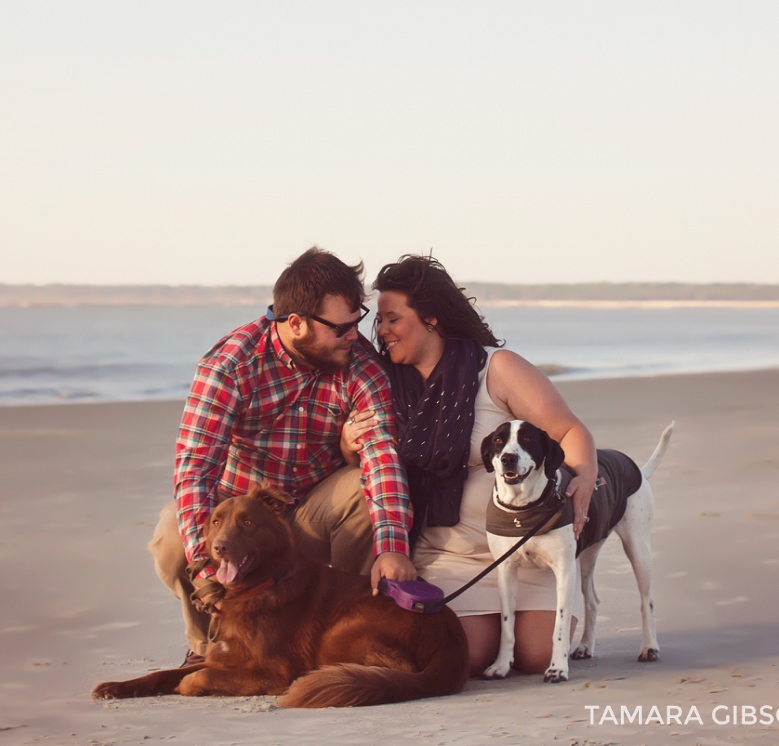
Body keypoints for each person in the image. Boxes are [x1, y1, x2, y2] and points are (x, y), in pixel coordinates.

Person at [149, 247, 416, 659]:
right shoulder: (230, 365)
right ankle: (211, 646)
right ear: (295, 323)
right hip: (243, 516)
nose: (356, 337)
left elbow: (382, 457)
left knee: (365, 492)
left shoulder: (359, 363)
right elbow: (196, 471)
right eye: (340, 328)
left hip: (315, 511)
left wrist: (393, 545)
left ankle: (342, 634)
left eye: (356, 322)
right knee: (171, 534)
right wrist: (204, 570)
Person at [342, 255, 598, 677]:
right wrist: (347, 442)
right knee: (466, 657)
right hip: (446, 555)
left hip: (525, 547)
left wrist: (585, 473)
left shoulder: (496, 369)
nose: (382, 331)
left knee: (536, 658)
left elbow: (568, 431)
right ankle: (488, 629)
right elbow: (370, 464)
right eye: (380, 321)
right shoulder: (382, 382)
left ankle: (527, 619)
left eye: (392, 318)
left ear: (431, 319)